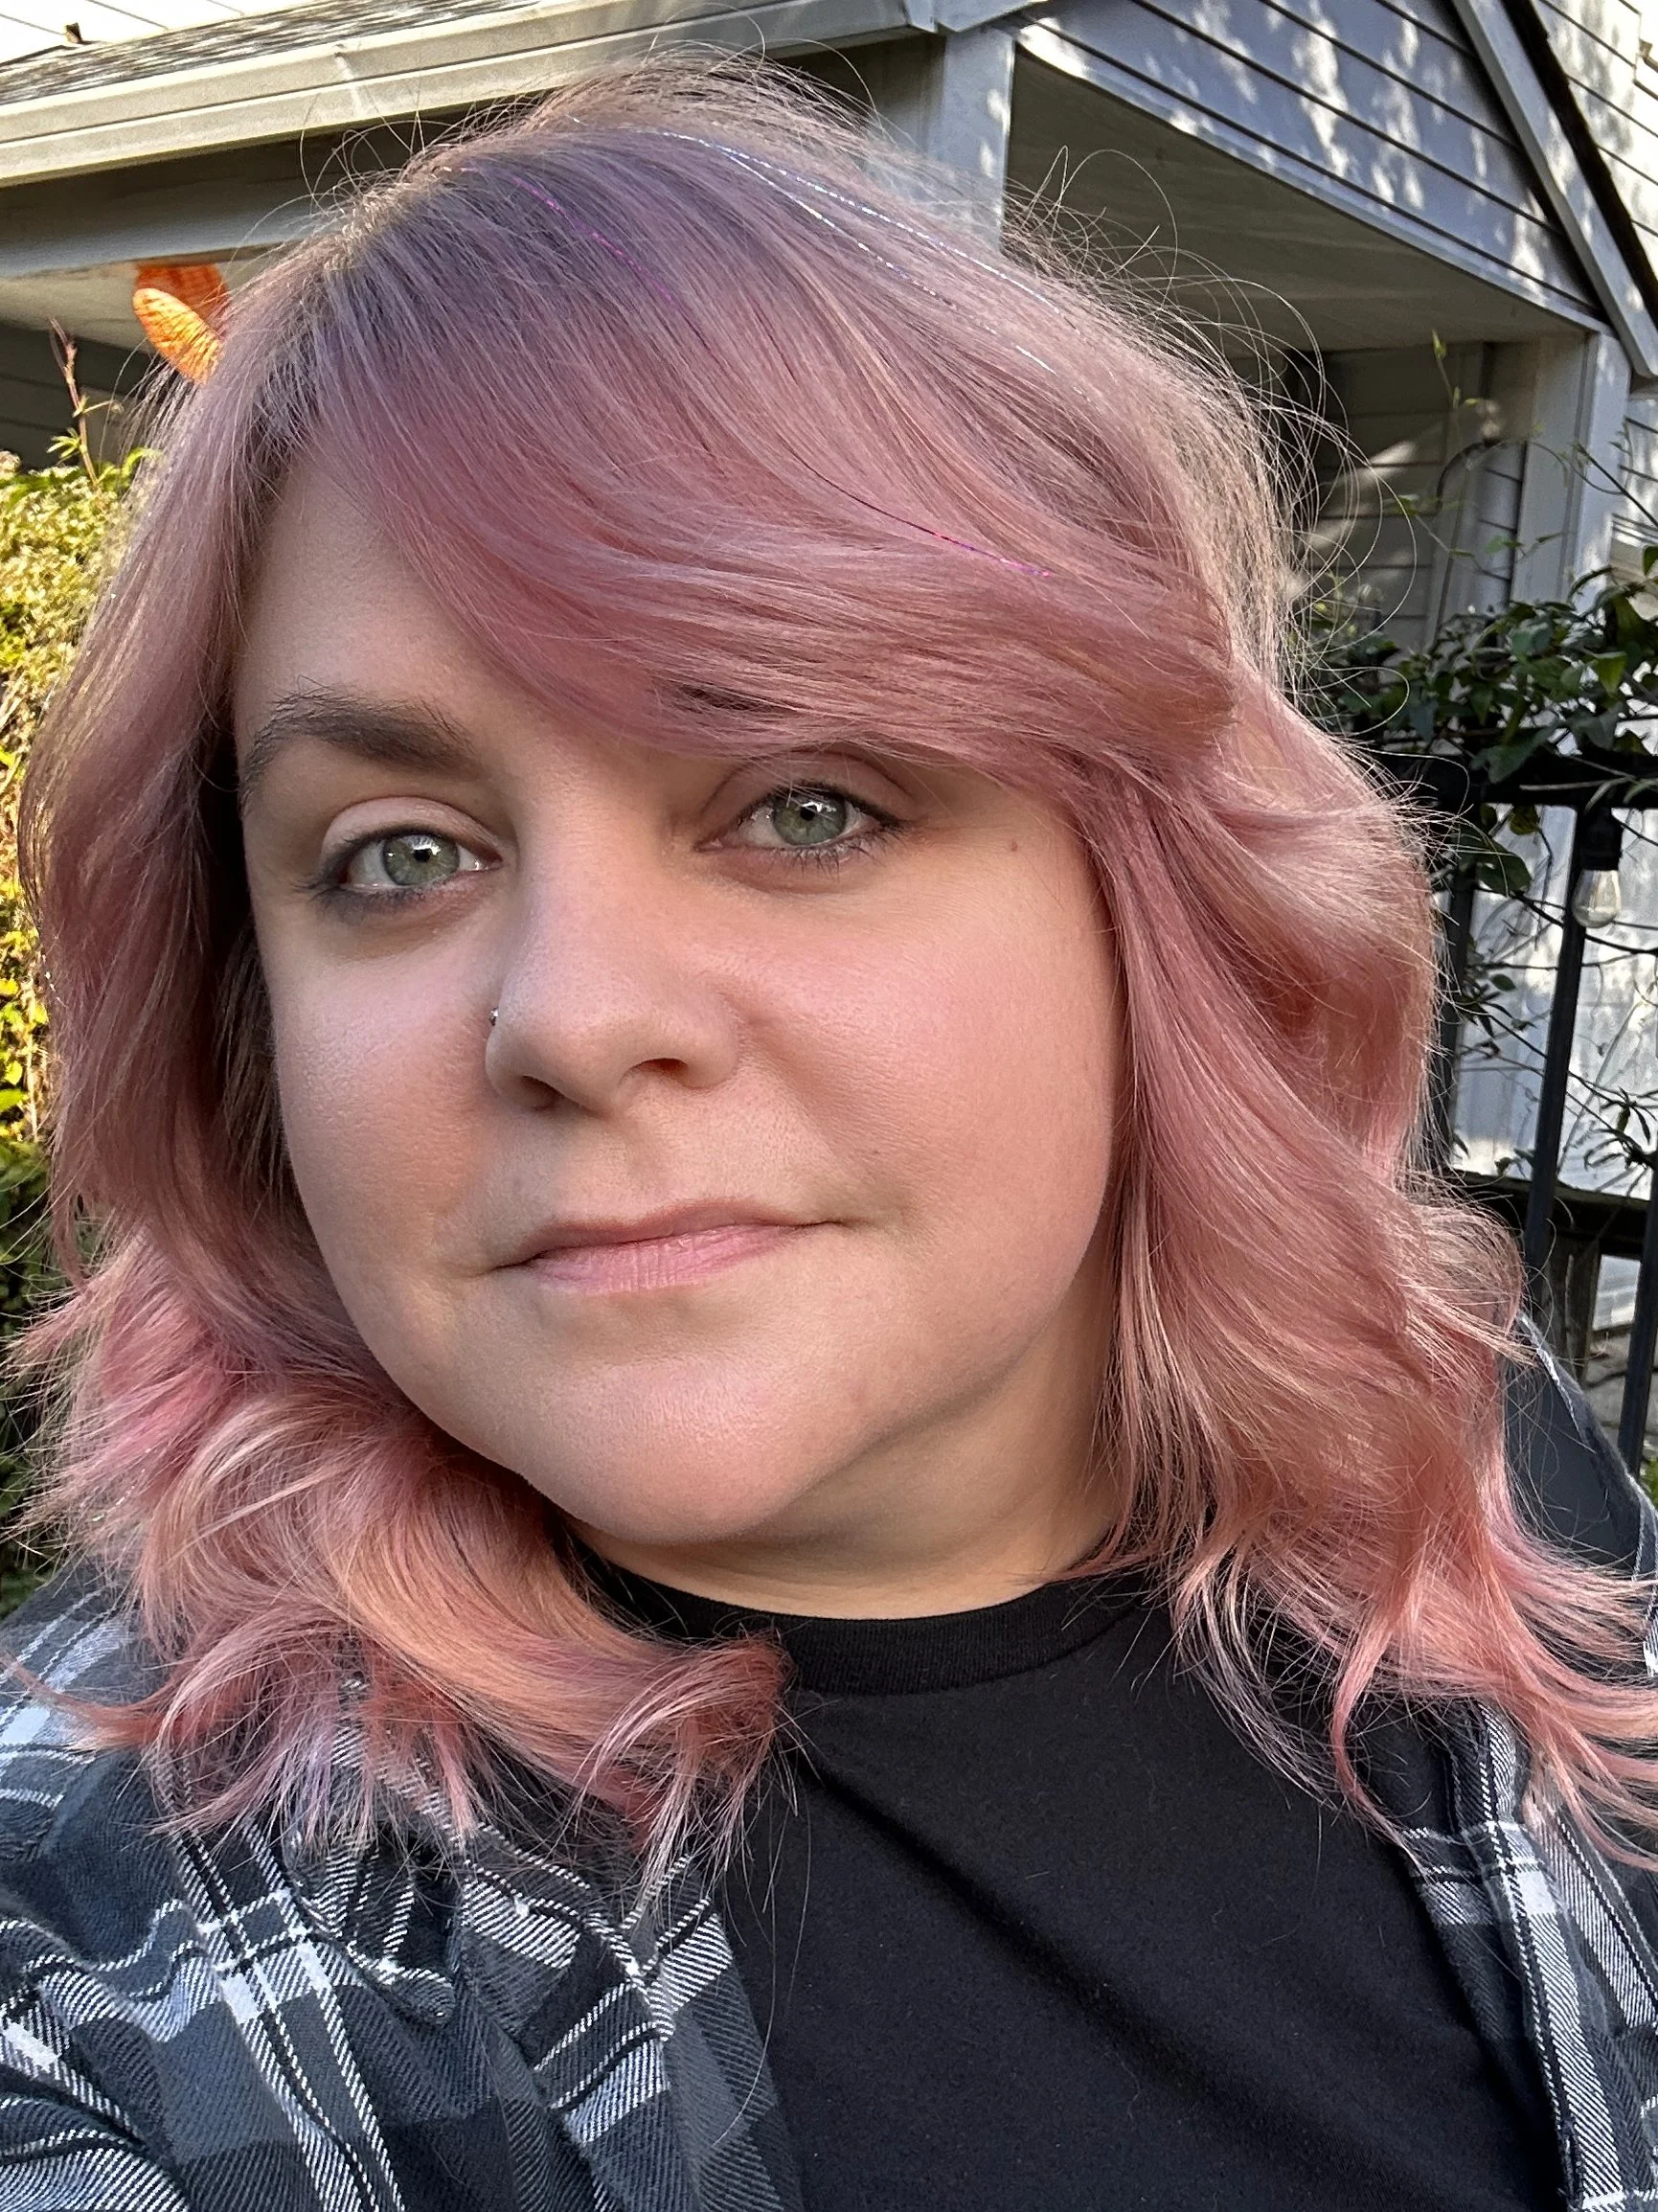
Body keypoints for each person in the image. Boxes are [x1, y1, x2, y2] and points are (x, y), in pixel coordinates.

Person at [0, 56, 1651, 2212]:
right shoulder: (129, 1957)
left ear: (1150, 903)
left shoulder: (1470, 1458)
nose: (575, 1015)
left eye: (804, 803)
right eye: (398, 853)